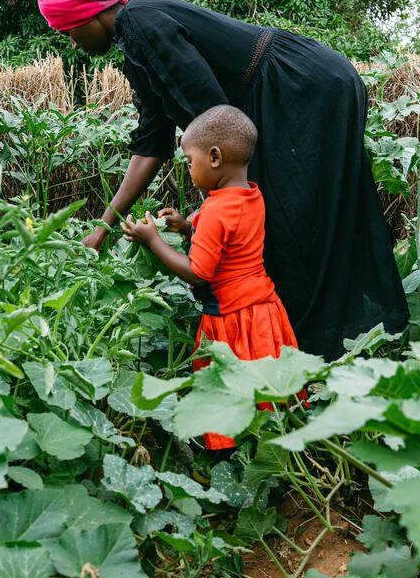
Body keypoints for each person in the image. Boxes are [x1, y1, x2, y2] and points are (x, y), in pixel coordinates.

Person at [37, 0, 408, 359]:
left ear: (88, 12)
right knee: (289, 226)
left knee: (296, 227)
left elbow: (215, 119)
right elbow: (152, 144)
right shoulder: (134, 47)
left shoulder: (140, 21)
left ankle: (318, 351)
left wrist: (210, 219)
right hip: (293, 92)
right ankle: (311, 349)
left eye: (67, 30)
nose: (71, 42)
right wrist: (103, 227)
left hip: (301, 88)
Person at [120, 105, 299, 450]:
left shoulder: (215, 210)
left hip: (230, 318)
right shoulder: (251, 195)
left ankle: (226, 454)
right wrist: (189, 228)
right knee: (268, 385)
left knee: (223, 389)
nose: (188, 169)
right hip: (263, 310)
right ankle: (277, 443)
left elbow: (200, 274)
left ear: (214, 157)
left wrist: (153, 240)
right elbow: (232, 243)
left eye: (190, 160)